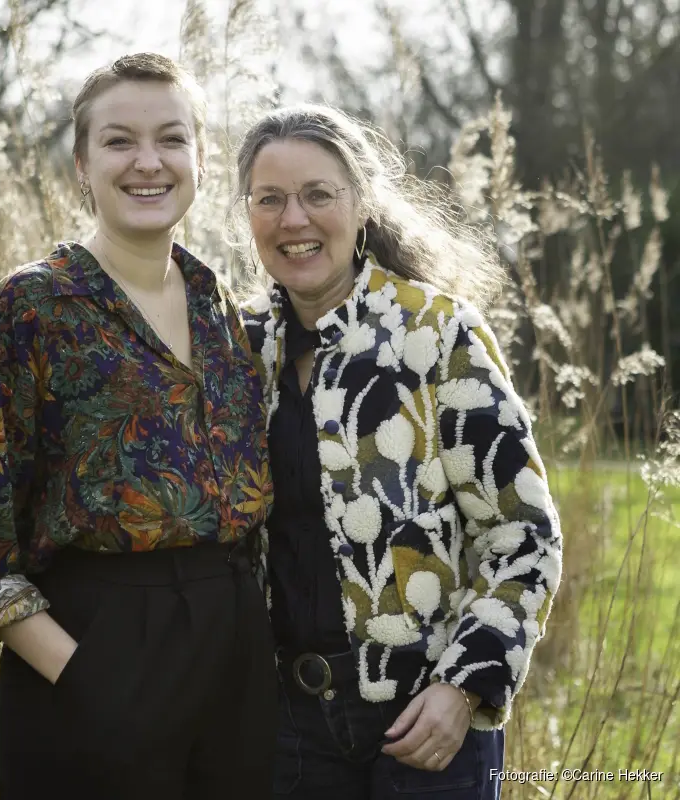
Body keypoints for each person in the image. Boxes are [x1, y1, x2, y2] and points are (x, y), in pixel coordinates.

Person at [0, 53, 278, 800]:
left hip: (235, 662)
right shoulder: (32, 308)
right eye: (120, 141)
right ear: (83, 164)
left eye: (171, 139)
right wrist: (82, 673)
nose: (148, 162)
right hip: (95, 655)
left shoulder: (221, 306)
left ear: (201, 159)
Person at [236, 104, 564, 799]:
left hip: (427, 721)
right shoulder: (238, 350)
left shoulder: (436, 335)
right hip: (287, 731)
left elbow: (524, 534)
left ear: (361, 205)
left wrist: (464, 687)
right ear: (250, 215)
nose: (294, 219)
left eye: (318, 194)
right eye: (270, 199)